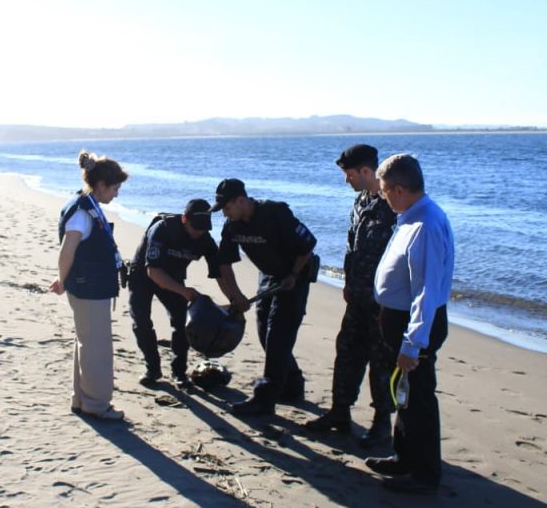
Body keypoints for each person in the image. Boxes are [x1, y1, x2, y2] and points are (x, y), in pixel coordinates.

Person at [365, 154, 454, 494]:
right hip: (398, 318)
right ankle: (404, 456)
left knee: (418, 398)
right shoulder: (410, 217)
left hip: (413, 324)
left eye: (385, 191)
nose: (383, 197)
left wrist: (411, 343)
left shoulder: (426, 225)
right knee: (403, 394)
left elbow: (426, 291)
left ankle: (425, 473)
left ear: (399, 189)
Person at [306, 144, 397, 447]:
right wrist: (347, 281)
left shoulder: (393, 204)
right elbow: (352, 244)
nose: (346, 180)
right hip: (357, 296)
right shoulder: (361, 201)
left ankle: (382, 423)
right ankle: (339, 412)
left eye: (348, 174)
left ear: (366, 171)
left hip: (383, 301)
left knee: (381, 361)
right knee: (347, 352)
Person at [211, 179, 317, 416]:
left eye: (227, 208)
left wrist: (293, 274)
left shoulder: (275, 213)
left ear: (240, 200)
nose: (225, 214)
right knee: (264, 333)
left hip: (294, 277)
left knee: (279, 334)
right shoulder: (233, 226)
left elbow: (307, 244)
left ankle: (264, 399)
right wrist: (236, 296)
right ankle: (292, 384)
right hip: (269, 275)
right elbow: (224, 264)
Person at [49, 149, 129, 421]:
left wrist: (65, 278)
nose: (117, 193)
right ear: (101, 185)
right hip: (88, 287)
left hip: (88, 285)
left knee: (86, 342)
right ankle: (96, 404)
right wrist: (62, 280)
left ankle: (81, 399)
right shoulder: (83, 212)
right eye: (115, 187)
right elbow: (66, 251)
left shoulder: (85, 204)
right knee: (96, 347)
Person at [128, 198, 228, 387]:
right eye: (195, 227)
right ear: (184, 219)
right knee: (141, 322)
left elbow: (220, 274)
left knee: (182, 323)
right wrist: (184, 291)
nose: (199, 232)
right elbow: (153, 272)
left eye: (204, 228)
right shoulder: (163, 229)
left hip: (173, 277)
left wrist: (233, 298)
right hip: (143, 275)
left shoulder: (205, 239)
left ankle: (179, 372)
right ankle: (153, 369)